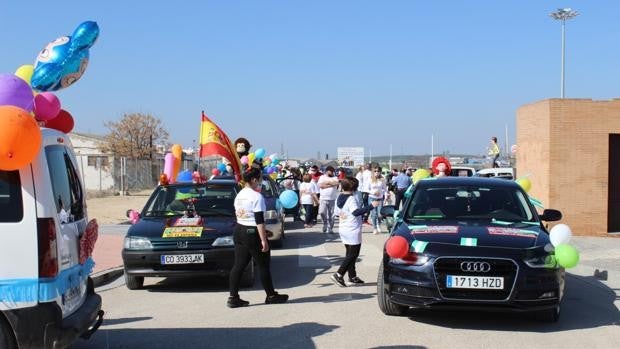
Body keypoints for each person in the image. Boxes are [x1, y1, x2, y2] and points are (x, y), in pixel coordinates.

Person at [228, 167, 288, 308]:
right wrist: (263, 239)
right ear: (254, 180)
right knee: (263, 265)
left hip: (239, 230)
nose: (260, 181)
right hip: (252, 231)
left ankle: (233, 297)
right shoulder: (256, 197)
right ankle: (271, 295)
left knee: (239, 265)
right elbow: (259, 220)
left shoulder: (240, 195)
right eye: (260, 178)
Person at [331, 177, 379, 287]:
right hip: (352, 229)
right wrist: (371, 206)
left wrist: (343, 214)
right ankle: (339, 274)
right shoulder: (351, 198)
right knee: (353, 254)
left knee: (349, 253)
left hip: (343, 228)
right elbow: (356, 212)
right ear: (355, 188)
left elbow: (337, 212)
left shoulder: (339, 196)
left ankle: (352, 276)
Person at [318, 166, 340, 234]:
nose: (332, 172)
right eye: (330, 171)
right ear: (327, 171)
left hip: (332, 198)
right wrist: (331, 184)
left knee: (332, 215)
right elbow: (321, 186)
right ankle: (325, 223)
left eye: (332, 171)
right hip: (323, 198)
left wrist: (327, 183)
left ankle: (330, 228)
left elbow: (337, 183)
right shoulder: (322, 177)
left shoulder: (335, 178)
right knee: (322, 212)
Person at [368, 167, 389, 234]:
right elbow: (367, 189)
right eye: (375, 171)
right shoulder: (370, 179)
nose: (377, 172)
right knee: (374, 214)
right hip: (372, 198)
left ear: (380, 172)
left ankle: (378, 224)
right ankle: (374, 228)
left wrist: (386, 196)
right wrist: (373, 192)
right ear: (373, 172)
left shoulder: (382, 180)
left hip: (380, 199)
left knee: (380, 214)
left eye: (378, 171)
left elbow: (385, 189)